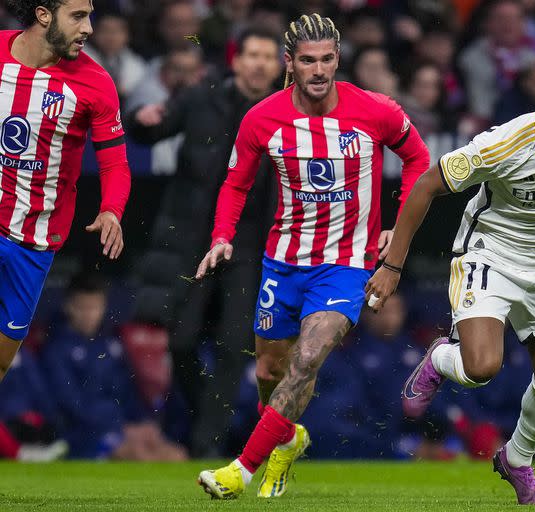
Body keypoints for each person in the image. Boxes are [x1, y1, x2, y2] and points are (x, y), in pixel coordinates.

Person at [366, 64, 535, 504]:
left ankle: (517, 459)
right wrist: (393, 266)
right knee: (481, 368)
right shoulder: (503, 144)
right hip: (490, 252)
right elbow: (426, 185)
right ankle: (440, 357)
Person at [194, 13, 430, 500]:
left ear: (338, 59)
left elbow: (419, 160)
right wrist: (222, 236)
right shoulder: (262, 118)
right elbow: (235, 183)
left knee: (306, 360)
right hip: (283, 262)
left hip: (346, 266)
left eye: (327, 60)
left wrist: (396, 227)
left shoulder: (376, 111)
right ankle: (286, 438)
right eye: (308, 61)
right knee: (269, 373)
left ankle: (240, 469)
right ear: (290, 63)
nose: (319, 70)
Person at [126, 27, 282, 458]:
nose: (259, 63)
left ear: (278, 66)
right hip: (196, 243)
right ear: (236, 60)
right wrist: (139, 118)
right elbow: (149, 130)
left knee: (234, 349)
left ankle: (206, 447)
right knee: (180, 343)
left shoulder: (287, 113)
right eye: (252, 54)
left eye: (268, 56)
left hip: (250, 248)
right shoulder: (201, 98)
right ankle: (210, 425)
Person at [0, 0, 131, 383]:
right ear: (43, 15)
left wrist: (112, 210)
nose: (89, 27)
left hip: (34, 241)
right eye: (78, 16)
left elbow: (115, 163)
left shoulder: (96, 83)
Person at [40, 273, 187, 460]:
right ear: (68, 307)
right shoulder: (56, 350)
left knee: (176, 455)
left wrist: (142, 423)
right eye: (82, 308)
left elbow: (128, 392)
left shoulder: (111, 344)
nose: (89, 315)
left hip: (123, 429)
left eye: (94, 307)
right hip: (82, 435)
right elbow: (70, 405)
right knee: (139, 454)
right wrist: (120, 427)